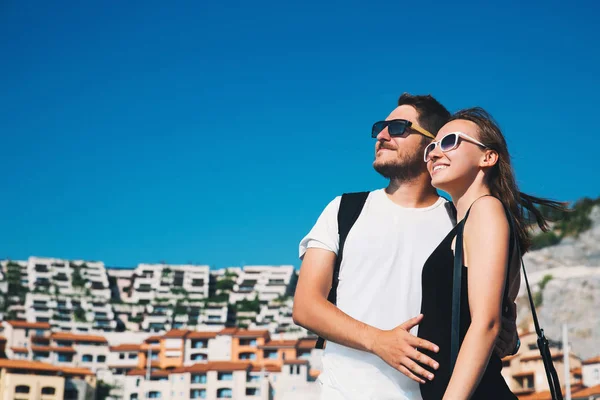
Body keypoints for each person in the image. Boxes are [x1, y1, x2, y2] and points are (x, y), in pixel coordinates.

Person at [292, 94, 519, 400]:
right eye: (380, 128)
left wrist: (508, 334)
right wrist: (379, 341)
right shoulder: (344, 210)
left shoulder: (464, 219)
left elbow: (496, 316)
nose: (382, 135)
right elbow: (305, 306)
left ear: (430, 144)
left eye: (398, 128)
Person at [417, 107, 564, 399]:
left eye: (449, 142)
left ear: (488, 157)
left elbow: (487, 323)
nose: (433, 153)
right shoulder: (472, 221)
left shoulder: (485, 210)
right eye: (431, 146)